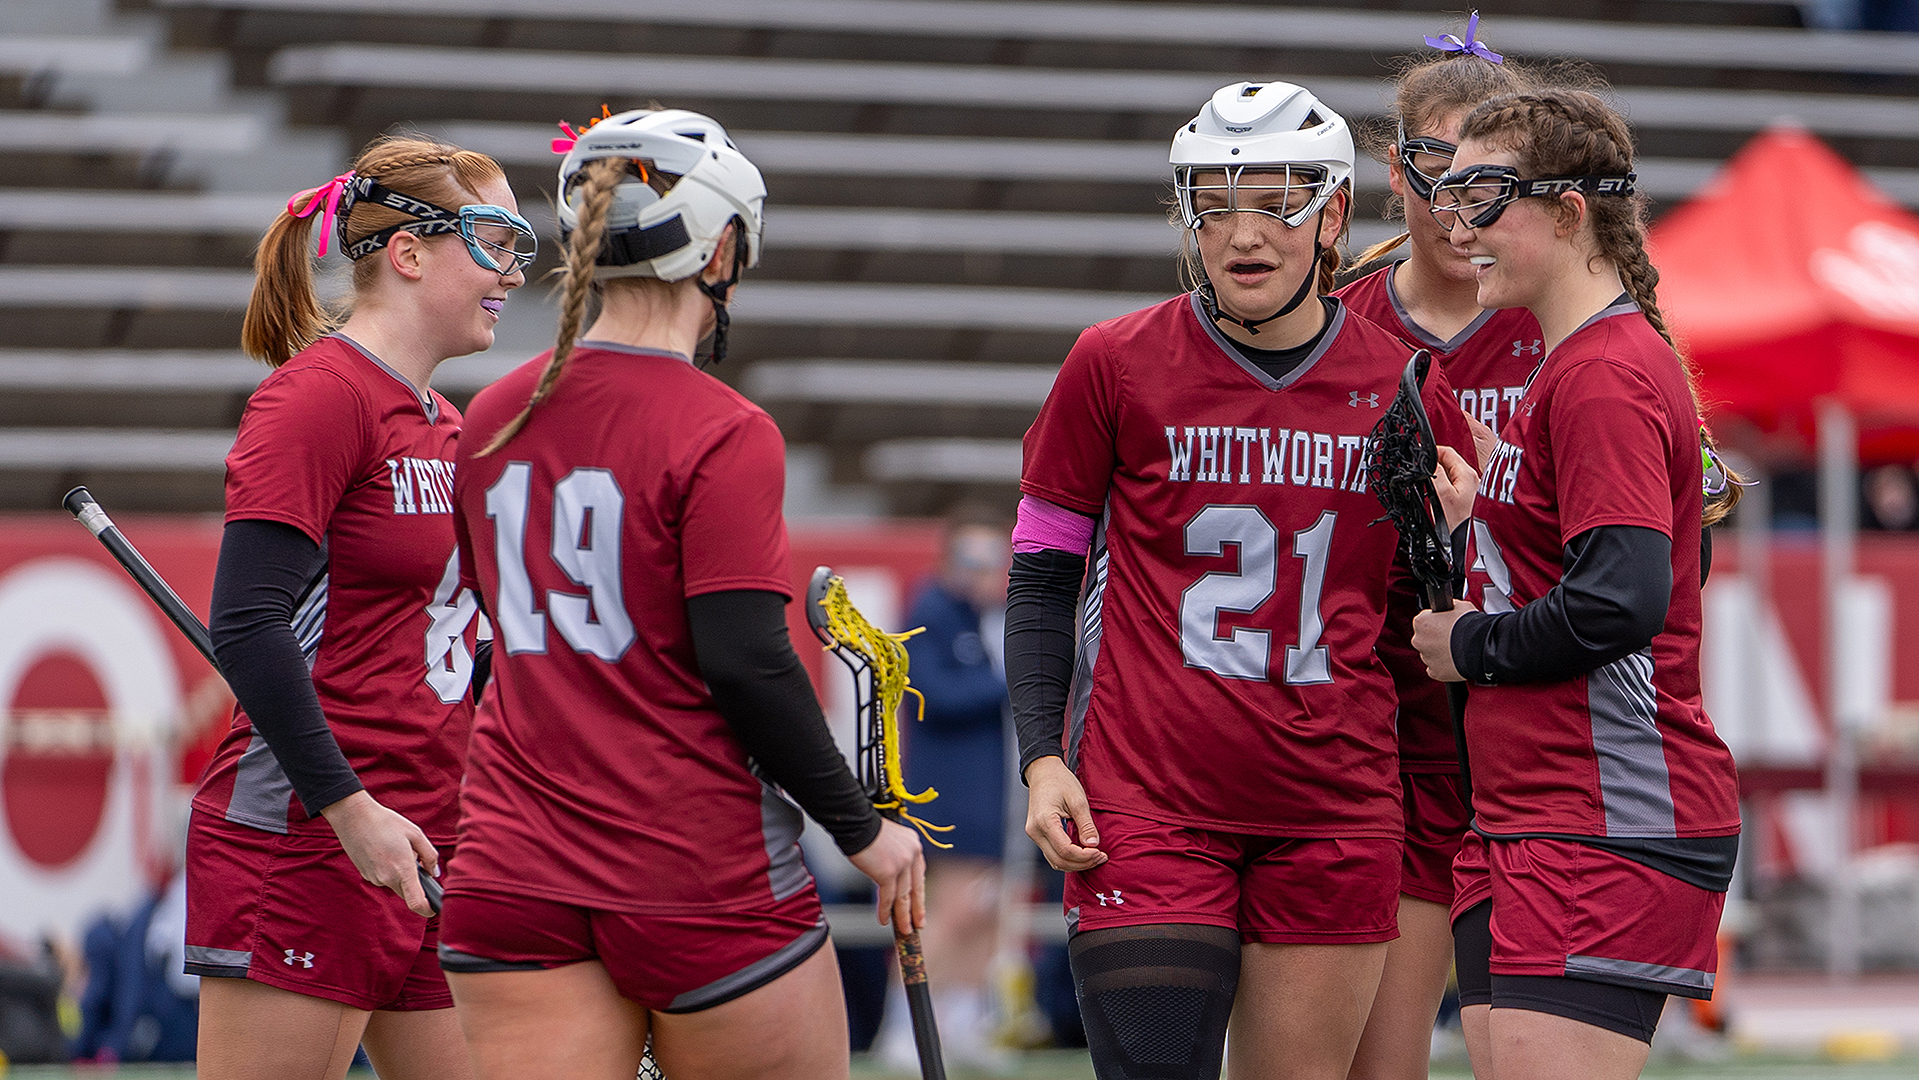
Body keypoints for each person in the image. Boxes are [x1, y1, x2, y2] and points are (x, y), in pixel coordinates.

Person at [438, 107, 925, 1080]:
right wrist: (861, 831)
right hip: (694, 873)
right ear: (723, 248)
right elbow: (746, 663)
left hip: (512, 869)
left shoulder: (491, 412)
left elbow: (497, 635)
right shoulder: (723, 428)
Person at [1007, 81, 1474, 1080]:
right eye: (1215, 205)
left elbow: (1424, 639)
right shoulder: (1111, 362)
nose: (1243, 234)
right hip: (1148, 799)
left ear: (1333, 216)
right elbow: (1042, 578)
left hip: (1334, 808)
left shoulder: (1405, 386)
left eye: (1275, 203)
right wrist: (1042, 756)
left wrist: (1455, 546)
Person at [1409, 88, 1744, 1080]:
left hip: (1600, 820)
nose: (1456, 224)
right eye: (1448, 193)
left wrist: (1468, 645)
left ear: (1566, 212)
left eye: (1483, 195)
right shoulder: (1570, 366)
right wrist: (1483, 515)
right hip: (1530, 815)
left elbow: (1622, 600)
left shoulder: (1600, 373)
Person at [189, 136, 533, 1080]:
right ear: (408, 253)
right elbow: (248, 624)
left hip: (430, 843)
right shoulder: (318, 398)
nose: (512, 272)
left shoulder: (448, 425)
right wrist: (349, 809)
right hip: (314, 839)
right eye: (494, 240)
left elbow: (461, 647)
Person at [1331, 20, 1550, 1080]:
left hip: (1542, 740)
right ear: (1394, 169)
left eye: (1490, 176)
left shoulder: (1578, 318)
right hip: (1389, 738)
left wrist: (1509, 504)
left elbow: (1666, 543)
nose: (1463, 203)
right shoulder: (1338, 323)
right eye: (1437, 167)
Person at [876, 505, 1014, 1069]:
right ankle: (904, 1027)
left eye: (993, 558)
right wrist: (1007, 678)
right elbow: (934, 695)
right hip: (948, 791)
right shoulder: (930, 610)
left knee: (984, 911)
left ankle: (962, 1022)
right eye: (970, 557)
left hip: (993, 792)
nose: (983, 571)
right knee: (950, 911)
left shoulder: (993, 617)